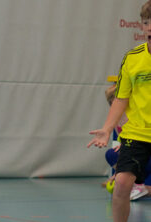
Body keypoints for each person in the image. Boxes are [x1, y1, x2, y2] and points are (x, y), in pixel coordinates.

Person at [87, 1, 151, 221]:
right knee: (122, 184)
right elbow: (121, 98)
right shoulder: (132, 59)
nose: (150, 27)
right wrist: (107, 128)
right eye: (146, 22)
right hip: (137, 134)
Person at [102, 85, 151, 201]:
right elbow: (123, 142)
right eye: (111, 102)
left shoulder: (139, 115)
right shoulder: (116, 122)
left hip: (145, 152)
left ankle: (144, 188)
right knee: (112, 153)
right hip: (135, 154)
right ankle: (134, 183)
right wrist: (118, 174)